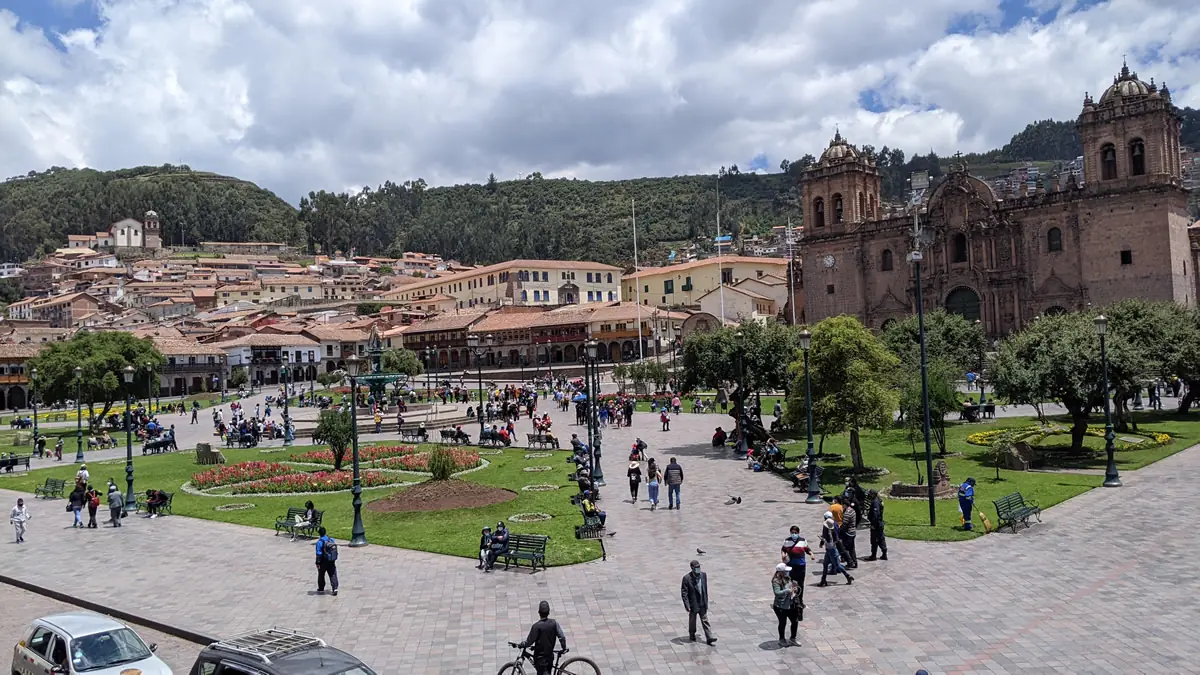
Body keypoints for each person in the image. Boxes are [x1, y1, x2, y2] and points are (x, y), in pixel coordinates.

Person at [517, 600, 567, 675]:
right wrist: (564, 648)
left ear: (538, 612)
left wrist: (522, 644)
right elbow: (562, 637)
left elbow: (529, 642)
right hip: (550, 656)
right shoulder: (554, 623)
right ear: (549, 612)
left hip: (540, 658)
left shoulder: (536, 626)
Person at [680, 560, 716, 645]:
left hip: (702, 602)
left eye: (699, 567)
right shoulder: (687, 578)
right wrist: (687, 605)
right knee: (692, 620)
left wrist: (706, 601)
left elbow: (705, 589)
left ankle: (709, 637)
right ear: (692, 568)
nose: (698, 569)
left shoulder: (703, 575)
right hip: (693, 603)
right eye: (696, 567)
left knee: (705, 620)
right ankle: (692, 633)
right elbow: (684, 593)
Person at [780, 525, 815, 609]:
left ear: (798, 533)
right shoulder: (787, 541)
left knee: (801, 583)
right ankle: (792, 600)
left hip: (801, 565)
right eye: (792, 533)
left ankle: (800, 600)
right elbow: (783, 549)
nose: (794, 534)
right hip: (791, 566)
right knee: (791, 583)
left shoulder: (803, 541)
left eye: (795, 533)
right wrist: (783, 555)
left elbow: (807, 549)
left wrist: (811, 554)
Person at [817, 514, 854, 586]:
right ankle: (823, 580)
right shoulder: (831, 531)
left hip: (832, 551)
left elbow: (830, 543)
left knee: (837, 566)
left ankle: (847, 576)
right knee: (825, 564)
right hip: (829, 550)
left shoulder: (829, 533)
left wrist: (823, 540)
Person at [772, 563, 801, 647]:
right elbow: (777, 593)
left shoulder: (788, 578)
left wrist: (794, 588)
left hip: (790, 604)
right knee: (782, 622)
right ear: (781, 572)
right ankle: (781, 639)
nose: (787, 573)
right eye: (785, 571)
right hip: (780, 606)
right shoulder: (776, 581)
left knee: (795, 621)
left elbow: (791, 586)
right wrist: (788, 590)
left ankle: (793, 638)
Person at [315, 526, 339, 596]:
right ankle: (335, 588)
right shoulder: (331, 540)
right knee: (333, 574)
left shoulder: (319, 542)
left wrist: (317, 563)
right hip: (331, 560)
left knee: (321, 575)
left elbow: (318, 553)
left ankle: (321, 588)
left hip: (323, 561)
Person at [864, 489, 887, 561]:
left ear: (873, 494)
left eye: (870, 494)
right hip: (879, 523)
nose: (869, 496)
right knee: (881, 538)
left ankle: (873, 555)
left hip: (876, 524)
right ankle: (884, 553)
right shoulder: (879, 500)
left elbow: (875, 515)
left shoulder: (875, 502)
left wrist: (873, 524)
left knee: (874, 540)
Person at [840, 500, 858, 569]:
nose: (842, 507)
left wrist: (839, 530)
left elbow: (844, 524)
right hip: (853, 532)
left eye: (842, 505)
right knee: (852, 548)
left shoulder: (847, 513)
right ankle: (855, 562)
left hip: (848, 533)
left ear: (845, 505)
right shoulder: (852, 510)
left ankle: (850, 563)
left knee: (845, 548)